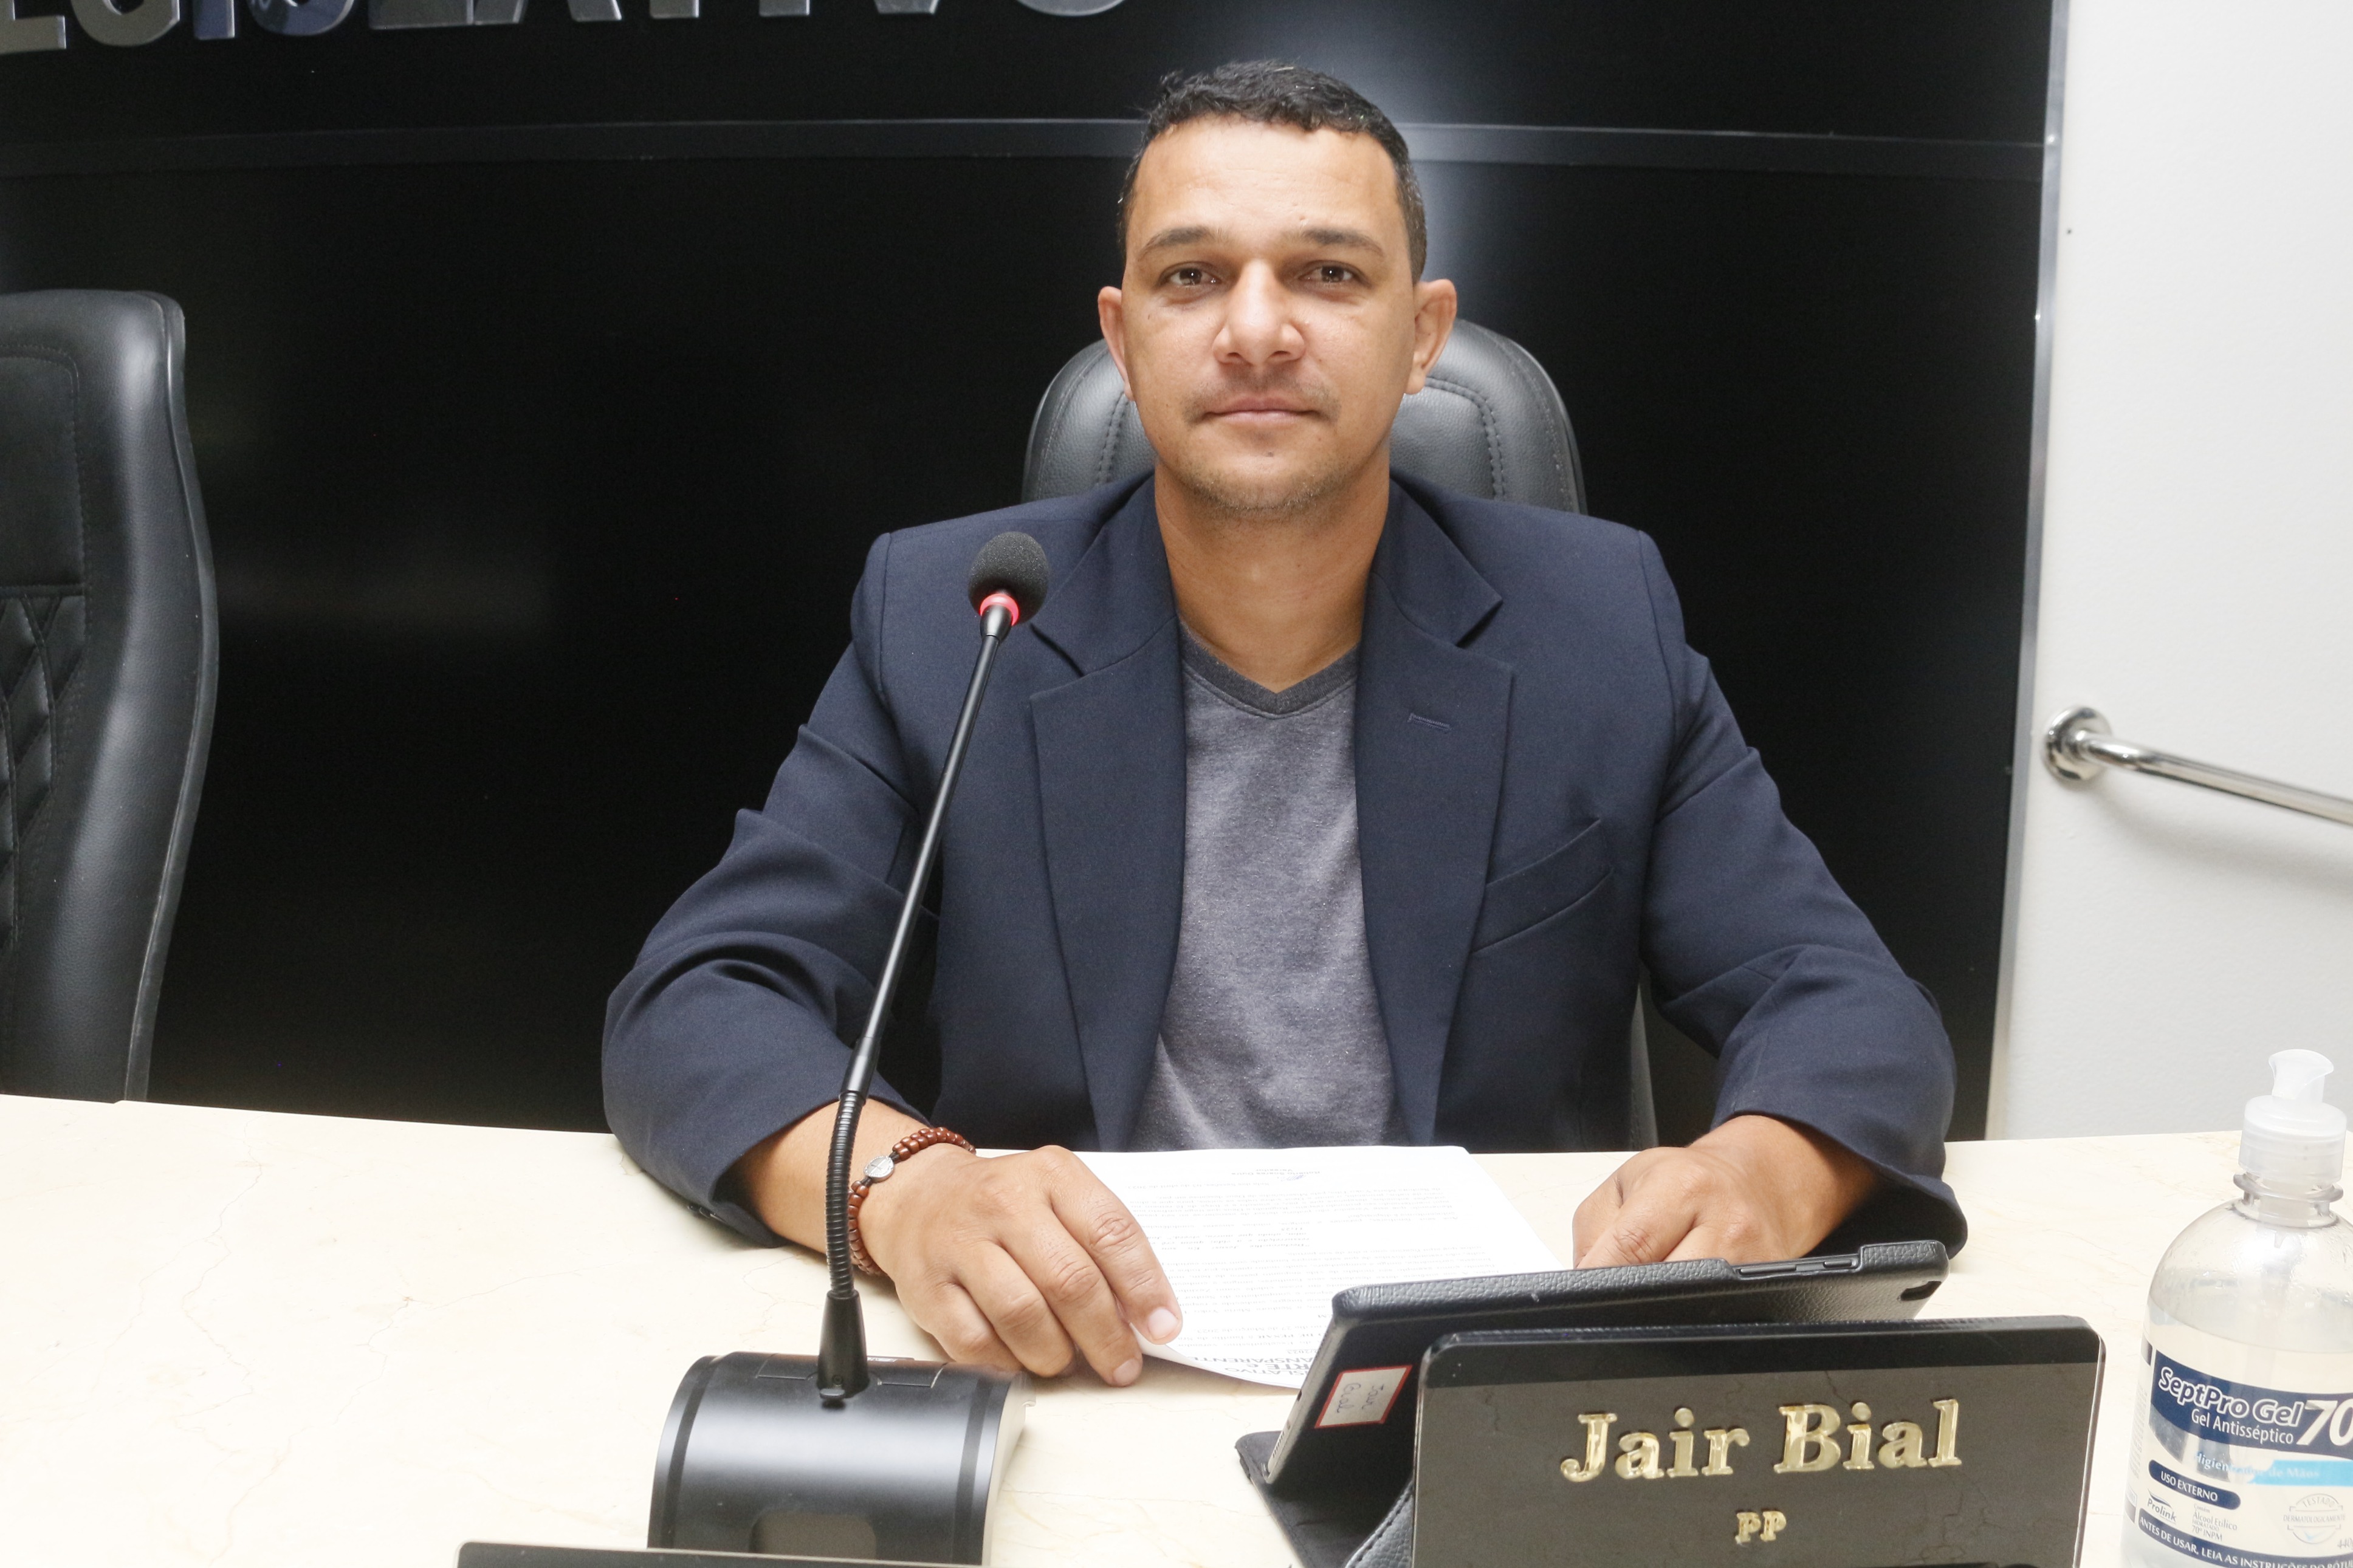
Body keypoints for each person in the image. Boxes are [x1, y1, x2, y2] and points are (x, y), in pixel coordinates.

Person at [605, 61, 1960, 1392]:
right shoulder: (958, 620)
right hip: (1072, 1360)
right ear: (1123, 336)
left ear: (1422, 336)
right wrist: (905, 1190)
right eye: (1193, 275)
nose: (1256, 330)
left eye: (1327, 273)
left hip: (1477, 1378)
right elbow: (700, 1001)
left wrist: (1763, 1172)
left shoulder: (1596, 625)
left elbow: (1846, 1002)